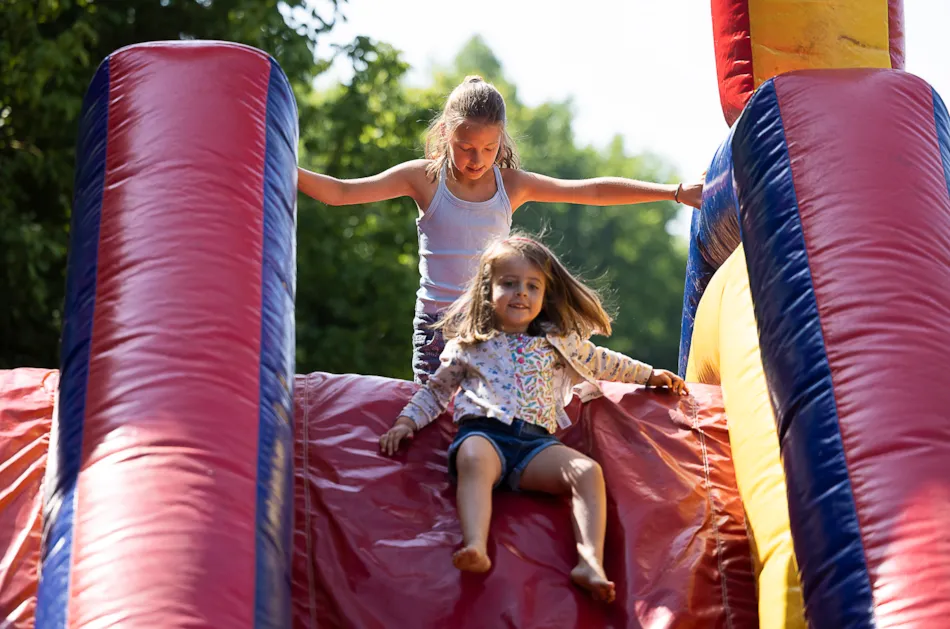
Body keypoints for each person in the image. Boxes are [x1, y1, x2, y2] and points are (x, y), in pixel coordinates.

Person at [298, 75, 704, 384]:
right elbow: (340, 192)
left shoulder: (509, 184)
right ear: (445, 134)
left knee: (494, 420)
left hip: (496, 327)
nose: (477, 159)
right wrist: (286, 166)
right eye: (466, 147)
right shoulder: (423, 179)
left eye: (489, 149)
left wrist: (673, 192)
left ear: (501, 142)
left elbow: (591, 191)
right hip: (439, 330)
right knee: (435, 423)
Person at [378, 235, 689, 603]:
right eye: (508, 284)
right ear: (487, 290)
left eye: (532, 286)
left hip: (534, 446)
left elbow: (604, 362)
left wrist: (649, 375)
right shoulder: (468, 346)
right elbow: (435, 392)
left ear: (545, 295)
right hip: (485, 434)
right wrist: (405, 422)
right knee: (473, 459)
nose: (520, 293)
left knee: (587, 472)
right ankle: (475, 544)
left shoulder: (556, 342)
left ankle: (589, 561)